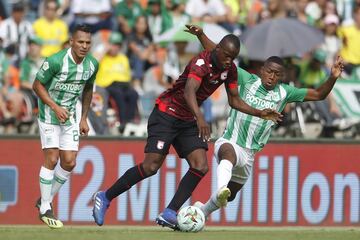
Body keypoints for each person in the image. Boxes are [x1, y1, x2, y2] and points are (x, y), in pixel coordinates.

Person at [92, 29, 282, 229]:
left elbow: (234, 100)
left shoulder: (230, 70)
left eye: (232, 58)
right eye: (226, 56)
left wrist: (259, 112)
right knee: (151, 167)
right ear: (217, 50)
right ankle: (105, 196)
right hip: (167, 113)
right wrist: (200, 117)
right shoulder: (200, 62)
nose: (228, 61)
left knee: (200, 165)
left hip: (187, 119)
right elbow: (189, 90)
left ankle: (170, 212)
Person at [185, 24, 345, 218]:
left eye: (277, 74)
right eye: (269, 71)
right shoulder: (245, 78)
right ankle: (220, 188)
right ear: (262, 70)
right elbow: (218, 54)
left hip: (250, 153)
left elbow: (319, 94)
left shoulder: (285, 92)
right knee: (228, 155)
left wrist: (333, 77)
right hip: (231, 141)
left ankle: (201, 211)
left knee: (230, 196)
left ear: (282, 76)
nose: (272, 76)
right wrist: (201, 35)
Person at [32, 24, 99, 229]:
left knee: (69, 162)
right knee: (52, 158)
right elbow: (37, 85)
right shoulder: (55, 61)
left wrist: (84, 118)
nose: (84, 46)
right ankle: (45, 208)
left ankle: (44, 199)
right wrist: (54, 106)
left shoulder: (92, 65)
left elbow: (88, 89)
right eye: (80, 41)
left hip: (69, 117)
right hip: (49, 115)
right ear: (71, 42)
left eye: (88, 42)